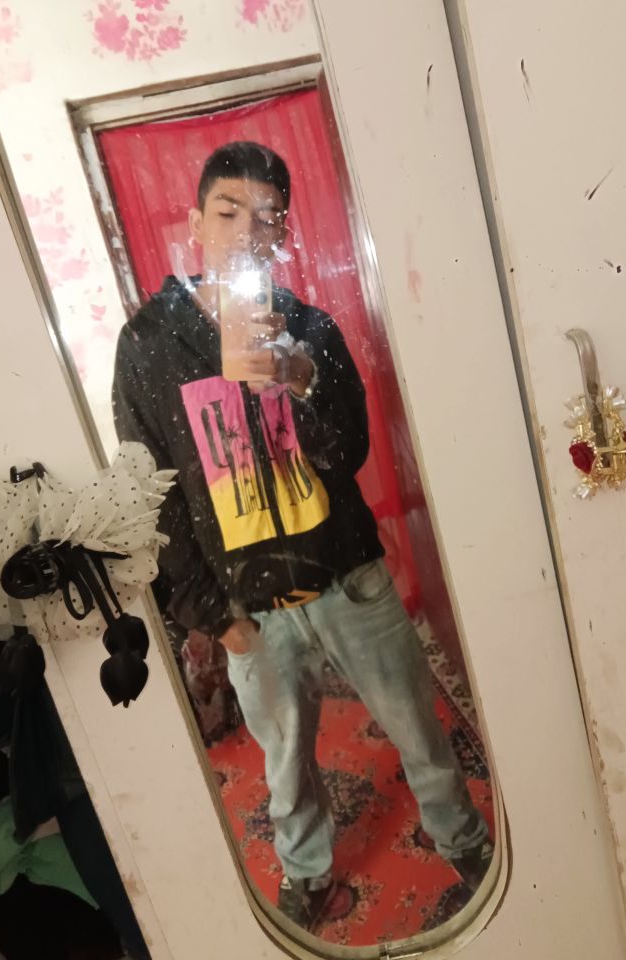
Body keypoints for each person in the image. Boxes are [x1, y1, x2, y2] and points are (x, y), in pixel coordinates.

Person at [112, 141, 492, 931]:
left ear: (283, 235)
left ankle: (462, 837)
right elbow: (153, 492)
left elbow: (350, 453)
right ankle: (308, 872)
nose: (246, 233)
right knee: (284, 766)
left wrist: (301, 378)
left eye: (267, 219)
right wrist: (210, 614)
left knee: (418, 727)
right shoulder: (147, 344)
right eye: (228, 213)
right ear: (195, 223)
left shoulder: (309, 326)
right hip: (248, 602)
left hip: (347, 571)